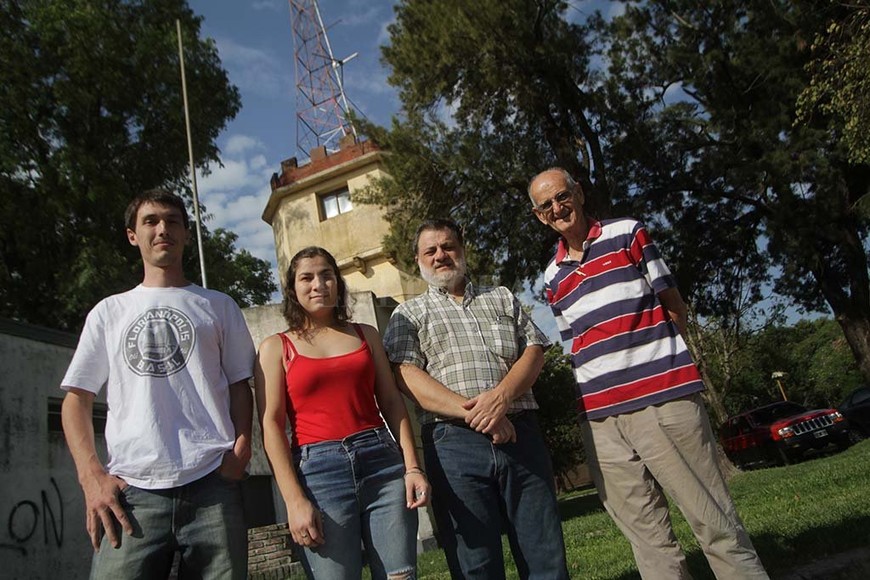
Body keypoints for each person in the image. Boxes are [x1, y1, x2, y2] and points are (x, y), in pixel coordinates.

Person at [528, 167, 769, 579]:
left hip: (663, 398)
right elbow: (575, 341)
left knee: (713, 521)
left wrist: (665, 366)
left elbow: (673, 304)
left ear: (579, 194)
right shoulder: (552, 276)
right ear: (539, 216)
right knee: (647, 538)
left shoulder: (627, 233)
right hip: (600, 417)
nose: (557, 207)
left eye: (562, 196)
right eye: (546, 205)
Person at [60, 189, 255, 578]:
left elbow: (239, 385)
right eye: (150, 221)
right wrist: (91, 476)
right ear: (133, 235)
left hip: (212, 486)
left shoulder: (218, 305)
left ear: (185, 233)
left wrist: (242, 448)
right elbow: (76, 400)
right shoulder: (109, 312)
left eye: (172, 221)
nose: (162, 228)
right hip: (132, 493)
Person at [384, 219, 570, 580]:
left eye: (448, 246)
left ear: (462, 249)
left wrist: (501, 398)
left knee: (544, 551)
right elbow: (406, 376)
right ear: (418, 261)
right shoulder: (407, 314)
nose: (441, 255)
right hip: (453, 445)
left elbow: (534, 352)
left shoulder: (500, 295)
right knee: (475, 562)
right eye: (430, 250)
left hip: (522, 436)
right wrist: (482, 414)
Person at [254, 246, 429, 580]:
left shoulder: (367, 335)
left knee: (400, 577)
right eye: (307, 277)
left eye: (327, 275)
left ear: (338, 282)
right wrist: (294, 501)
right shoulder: (276, 347)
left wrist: (413, 467)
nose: (318, 284)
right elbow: (272, 427)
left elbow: (392, 402)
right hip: (319, 475)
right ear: (293, 289)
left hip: (382, 465)